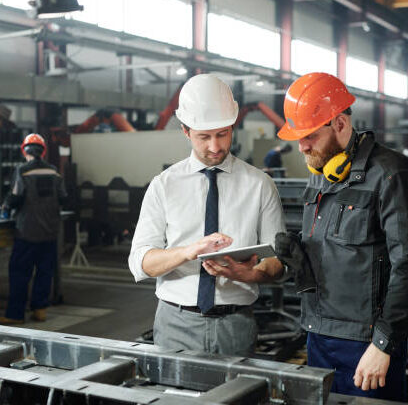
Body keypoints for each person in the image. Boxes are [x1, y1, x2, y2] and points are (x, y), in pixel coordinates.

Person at [270, 72, 408, 402]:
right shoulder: (320, 177)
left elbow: (406, 265)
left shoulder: (390, 174)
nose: (301, 146)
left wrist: (383, 343)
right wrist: (299, 262)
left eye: (310, 136)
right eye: (298, 137)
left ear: (340, 123)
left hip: (366, 345)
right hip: (318, 337)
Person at [129, 74, 285, 356]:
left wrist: (249, 273)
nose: (215, 147)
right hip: (175, 323)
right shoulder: (164, 186)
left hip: (236, 323)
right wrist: (189, 252)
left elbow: (278, 262)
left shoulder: (260, 185)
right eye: (204, 137)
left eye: (223, 134)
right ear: (186, 131)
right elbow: (141, 263)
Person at [0, 134, 67, 325]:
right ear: (43, 151)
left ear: (24, 150)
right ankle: (40, 310)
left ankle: (15, 314)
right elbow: (63, 198)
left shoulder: (22, 170)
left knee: (20, 272)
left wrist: (5, 207)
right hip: (50, 232)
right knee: (45, 271)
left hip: (27, 232)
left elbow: (15, 198)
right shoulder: (54, 172)